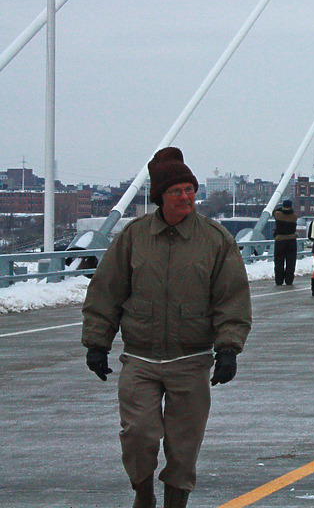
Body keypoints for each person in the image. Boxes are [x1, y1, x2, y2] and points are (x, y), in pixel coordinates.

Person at [81, 147, 252, 508]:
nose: (186, 197)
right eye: (177, 191)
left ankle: (176, 502)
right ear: (161, 196)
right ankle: (143, 494)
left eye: (190, 190)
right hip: (140, 359)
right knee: (138, 433)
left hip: (190, 360)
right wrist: (97, 343)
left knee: (184, 444)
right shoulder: (134, 237)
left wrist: (228, 348)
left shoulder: (216, 240)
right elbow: (106, 291)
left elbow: (231, 299)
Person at [272, 198, 298, 286]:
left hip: (280, 240)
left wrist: (281, 208)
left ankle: (279, 280)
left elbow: (274, 211)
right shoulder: (294, 216)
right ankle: (289, 280)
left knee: (279, 261)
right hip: (291, 240)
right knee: (291, 261)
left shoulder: (278, 214)